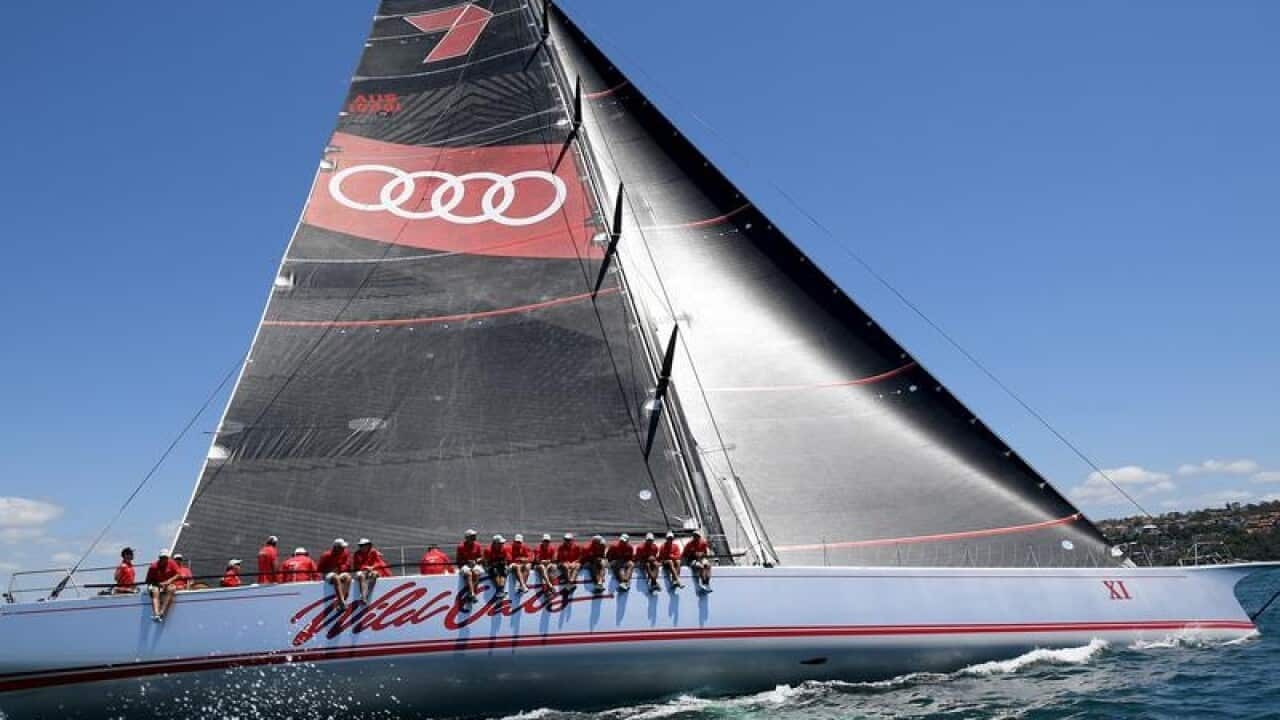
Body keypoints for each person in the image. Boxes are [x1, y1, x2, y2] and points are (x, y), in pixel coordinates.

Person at [144, 549, 181, 622]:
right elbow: (148, 580)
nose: (164, 559)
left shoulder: (172, 563)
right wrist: (155, 585)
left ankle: (162, 612)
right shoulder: (153, 566)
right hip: (157, 584)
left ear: (168, 558)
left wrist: (168, 581)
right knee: (155, 591)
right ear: (159, 558)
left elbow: (178, 574)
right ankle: (156, 614)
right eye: (162, 558)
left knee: (171, 588)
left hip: (168, 584)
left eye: (165, 557)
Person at [317, 538, 353, 608]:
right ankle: (342, 602)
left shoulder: (345, 553)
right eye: (342, 547)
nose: (343, 549)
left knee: (348, 577)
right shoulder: (326, 555)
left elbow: (348, 565)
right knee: (336, 577)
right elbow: (319, 569)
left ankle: (342, 600)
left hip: (339, 573)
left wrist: (340, 568)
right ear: (336, 547)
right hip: (328, 574)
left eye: (344, 547)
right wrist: (331, 570)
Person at [455, 529, 485, 608]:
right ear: (467, 537)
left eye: (474, 536)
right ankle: (472, 594)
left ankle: (470, 594)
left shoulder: (477, 545)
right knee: (469, 573)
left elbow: (481, 557)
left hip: (474, 564)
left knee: (477, 573)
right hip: (464, 565)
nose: (474, 538)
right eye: (472, 536)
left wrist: (476, 561)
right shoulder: (460, 546)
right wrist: (467, 561)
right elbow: (458, 560)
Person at [681, 529, 713, 593]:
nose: (696, 537)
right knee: (700, 566)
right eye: (694, 536)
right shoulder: (689, 544)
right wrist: (692, 554)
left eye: (697, 536)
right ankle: (703, 583)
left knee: (708, 565)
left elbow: (706, 553)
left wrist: (701, 554)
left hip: (701, 559)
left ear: (699, 536)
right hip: (691, 560)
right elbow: (684, 554)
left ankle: (707, 583)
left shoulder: (703, 543)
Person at [484, 535, 511, 600]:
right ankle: (500, 590)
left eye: (502, 543)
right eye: (500, 543)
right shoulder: (488, 550)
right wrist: (492, 565)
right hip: (491, 566)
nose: (502, 544)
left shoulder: (504, 549)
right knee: (494, 571)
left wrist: (505, 564)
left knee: (504, 571)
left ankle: (500, 591)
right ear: (495, 543)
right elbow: (486, 562)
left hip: (501, 566)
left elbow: (507, 559)